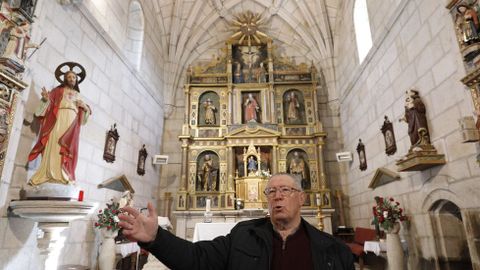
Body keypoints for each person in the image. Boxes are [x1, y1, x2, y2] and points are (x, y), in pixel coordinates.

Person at [118, 173, 354, 270]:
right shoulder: (244, 234)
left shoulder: (334, 250)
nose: (277, 196)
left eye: (285, 190)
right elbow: (196, 258)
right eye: (271, 192)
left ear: (302, 198)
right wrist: (155, 238)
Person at [28, 69, 91, 186]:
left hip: (71, 125)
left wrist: (85, 108)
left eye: (74, 77)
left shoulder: (78, 95)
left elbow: (84, 118)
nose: (72, 79)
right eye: (69, 77)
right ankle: (49, 174)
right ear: (65, 79)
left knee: (68, 148)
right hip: (58, 120)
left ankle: (64, 174)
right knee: (54, 145)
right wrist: (46, 99)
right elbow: (49, 103)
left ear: (76, 80)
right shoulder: (58, 91)